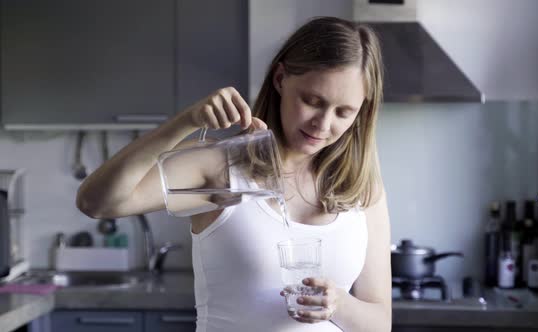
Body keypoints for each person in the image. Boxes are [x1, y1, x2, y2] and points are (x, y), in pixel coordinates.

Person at [77, 16, 391, 332]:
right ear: (281, 78)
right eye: (312, 101)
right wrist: (186, 121)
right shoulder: (220, 167)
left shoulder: (360, 186)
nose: (322, 124)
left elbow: (379, 323)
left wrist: (338, 302)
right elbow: (97, 203)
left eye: (343, 112)